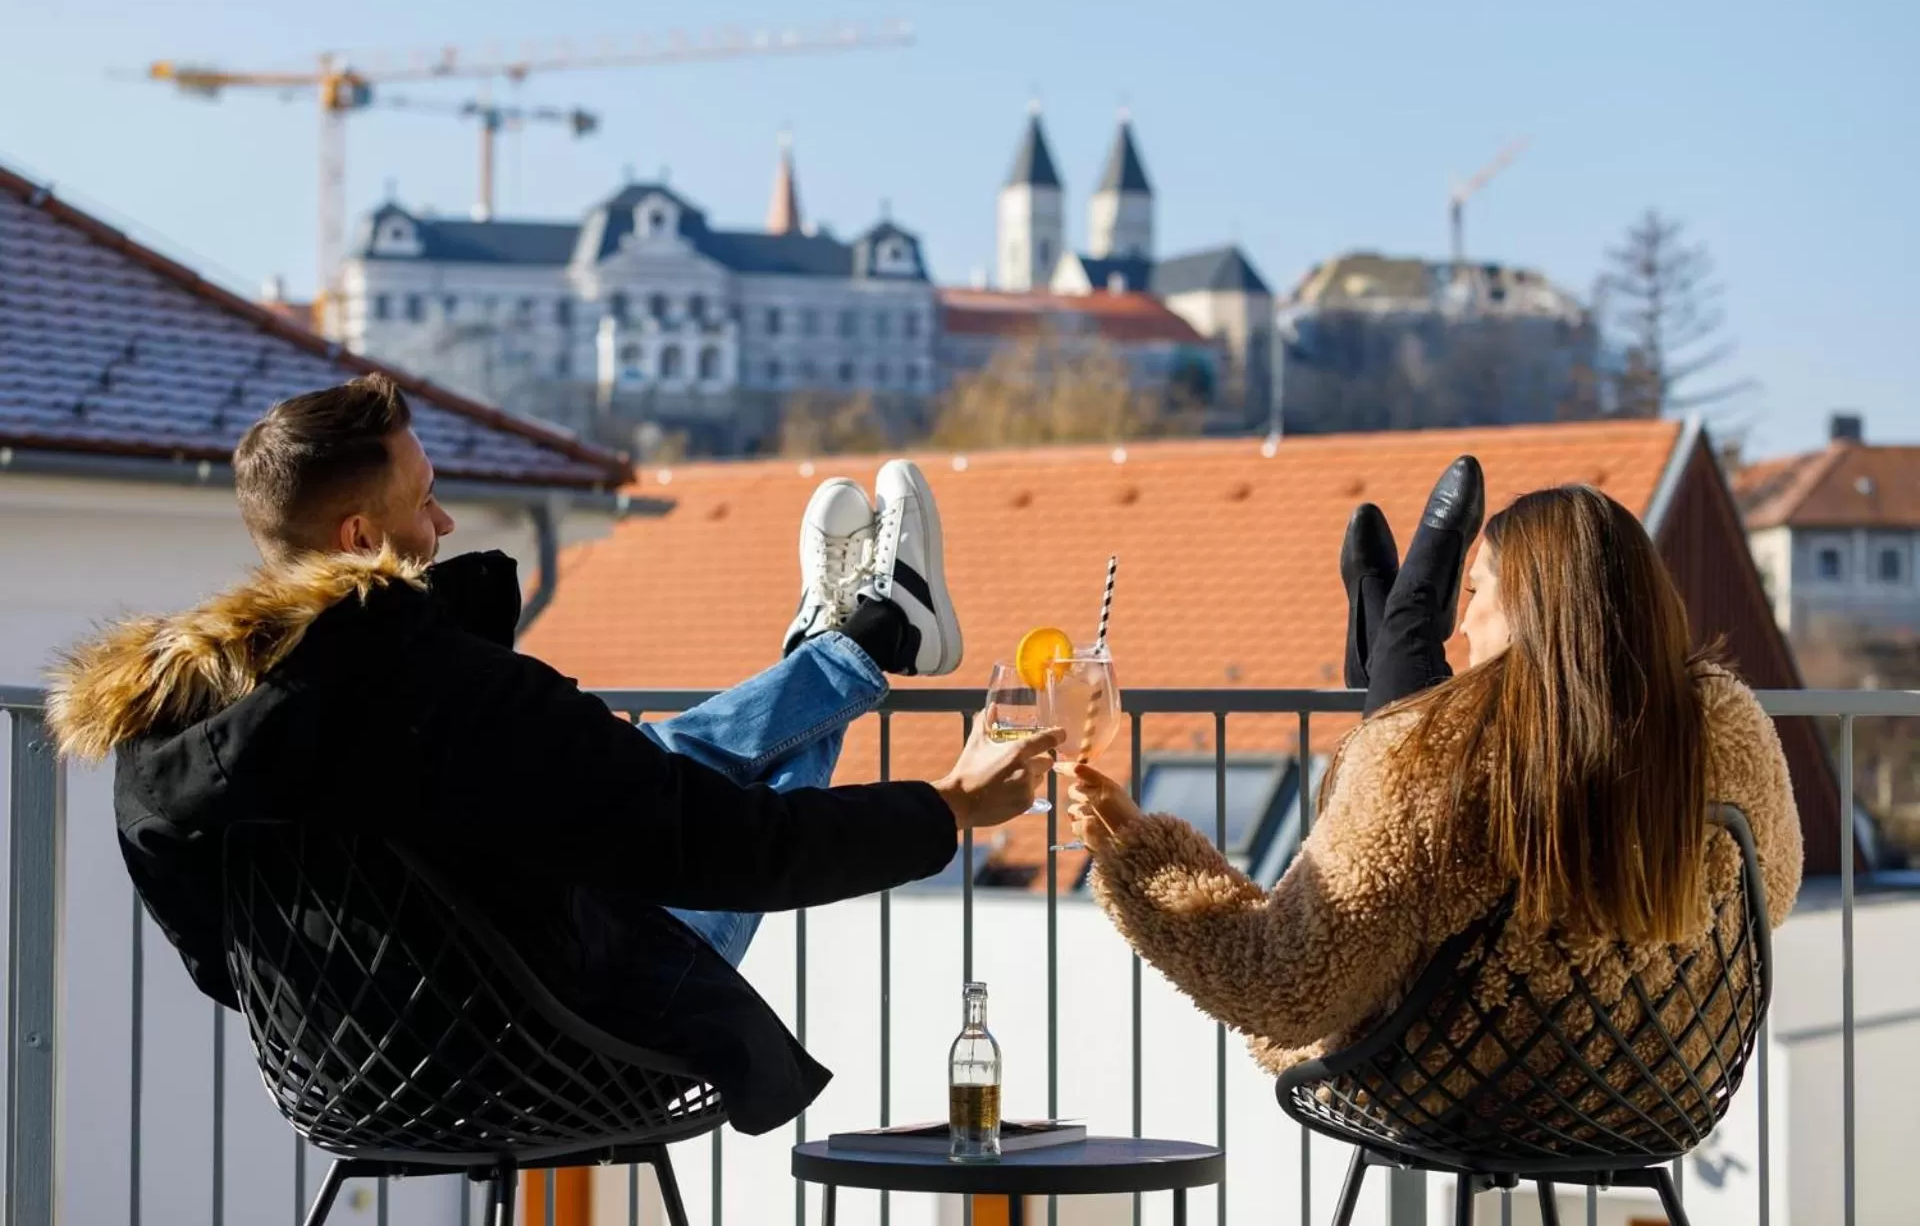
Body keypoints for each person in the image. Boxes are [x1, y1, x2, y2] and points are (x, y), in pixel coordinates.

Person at [48, 374, 1061, 1136]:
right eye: (425, 501)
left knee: (637, 766)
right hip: (550, 1055)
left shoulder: (161, 732)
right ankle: (864, 641)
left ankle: (851, 640)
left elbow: (221, 960)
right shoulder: (458, 694)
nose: (443, 523)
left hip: (339, 1074)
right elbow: (733, 850)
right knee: (671, 809)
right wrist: (948, 809)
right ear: (361, 535)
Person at [1066, 460, 1802, 1101]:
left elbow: (1283, 987)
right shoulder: (1724, 728)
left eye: (1476, 593)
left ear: (1531, 611)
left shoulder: (1435, 764)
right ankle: (1390, 636)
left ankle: (1395, 633)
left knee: (1408, 734)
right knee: (1411, 726)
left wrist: (1134, 849)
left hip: (1455, 1082)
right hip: (1655, 1083)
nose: (1467, 625)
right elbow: (1777, 889)